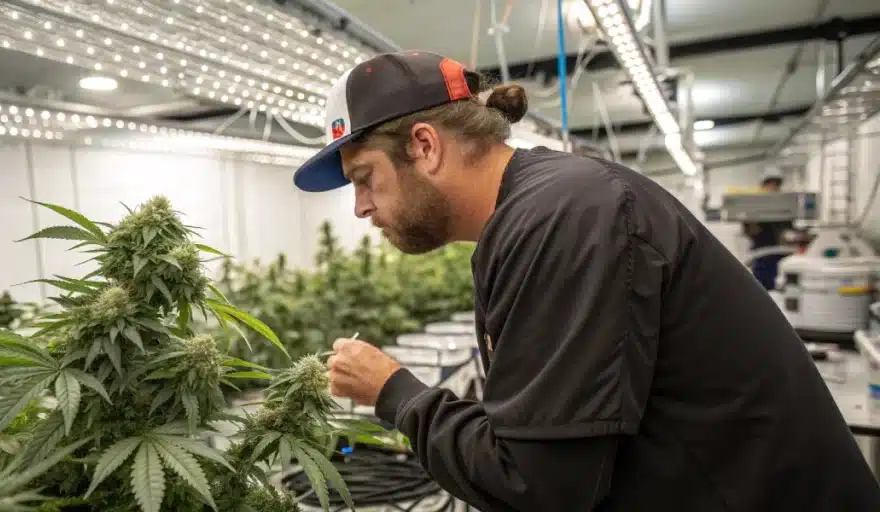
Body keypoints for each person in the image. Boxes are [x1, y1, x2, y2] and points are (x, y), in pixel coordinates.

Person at [292, 50, 880, 511]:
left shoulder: (564, 218)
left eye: (365, 179)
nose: (361, 208)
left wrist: (395, 392)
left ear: (425, 146)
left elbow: (537, 485)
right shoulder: (543, 210)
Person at [741, 169, 795, 290]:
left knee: (782, 290)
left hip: (782, 256)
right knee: (763, 292)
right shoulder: (753, 207)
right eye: (770, 184)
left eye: (777, 184)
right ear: (763, 186)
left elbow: (789, 231)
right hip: (762, 257)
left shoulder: (786, 207)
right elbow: (750, 231)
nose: (773, 187)